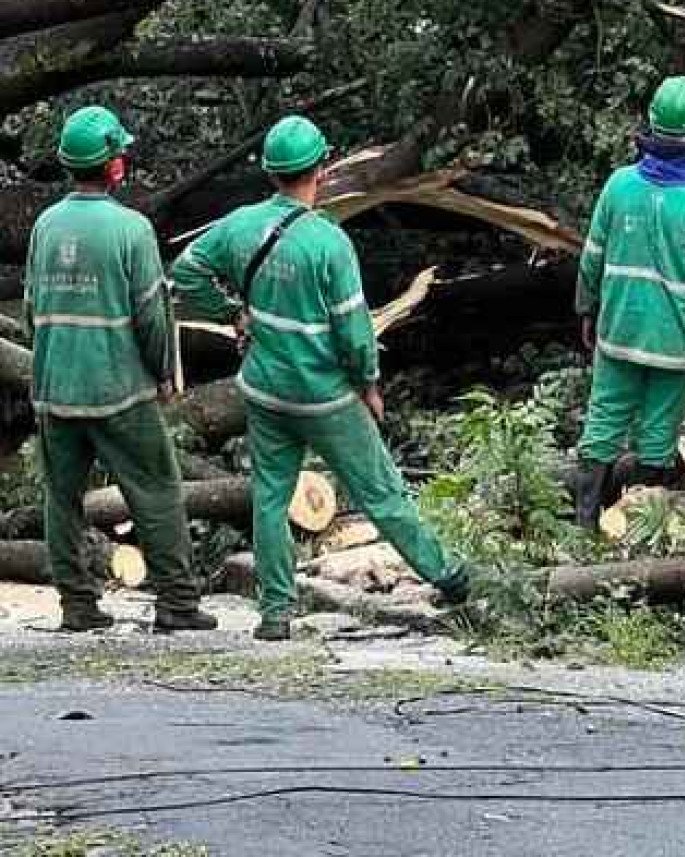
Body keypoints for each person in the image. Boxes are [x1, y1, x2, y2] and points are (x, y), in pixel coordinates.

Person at [170, 113, 469, 641]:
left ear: (270, 173)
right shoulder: (329, 243)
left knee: (269, 496)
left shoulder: (239, 225)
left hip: (264, 389)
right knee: (381, 493)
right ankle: (449, 577)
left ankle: (276, 613)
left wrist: (231, 313)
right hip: (325, 396)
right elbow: (354, 332)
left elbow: (185, 272)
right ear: (322, 169)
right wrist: (370, 386)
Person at [24, 104, 215, 636]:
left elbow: (30, 310)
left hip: (55, 388)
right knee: (155, 490)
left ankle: (78, 607)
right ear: (112, 166)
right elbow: (152, 317)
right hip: (119, 390)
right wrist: (163, 376)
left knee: (60, 498)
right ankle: (177, 603)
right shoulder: (132, 229)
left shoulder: (45, 225)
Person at [574, 76, 685, 528]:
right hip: (677, 344)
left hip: (619, 331)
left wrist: (586, 309)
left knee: (604, 420)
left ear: (650, 125)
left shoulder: (618, 186)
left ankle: (585, 526)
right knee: (658, 432)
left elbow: (591, 258)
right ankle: (641, 531)